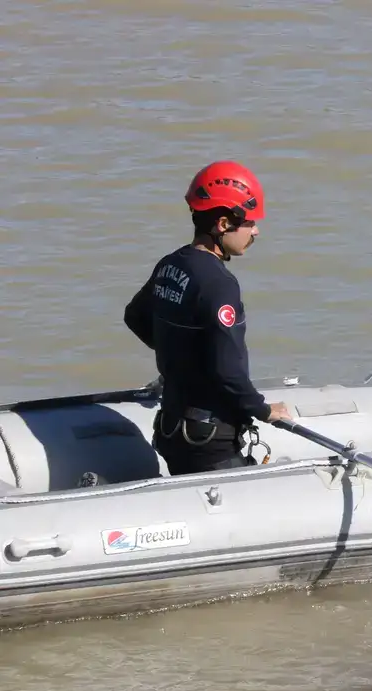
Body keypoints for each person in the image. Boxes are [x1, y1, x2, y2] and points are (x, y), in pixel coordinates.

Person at [123, 160, 291, 475]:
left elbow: (135, 317)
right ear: (224, 224)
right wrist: (264, 410)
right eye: (250, 223)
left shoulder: (170, 264)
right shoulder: (219, 284)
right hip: (210, 442)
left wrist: (179, 361)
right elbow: (229, 372)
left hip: (172, 427)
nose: (256, 231)